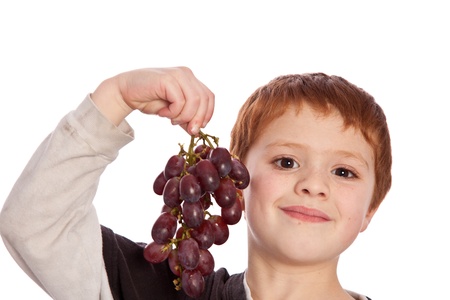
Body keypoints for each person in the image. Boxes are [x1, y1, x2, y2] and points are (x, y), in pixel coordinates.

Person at [0, 66, 391, 300]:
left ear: (371, 209)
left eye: (344, 172)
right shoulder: (160, 291)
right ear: (234, 183)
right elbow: (36, 226)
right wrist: (116, 97)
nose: (313, 184)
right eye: (286, 162)